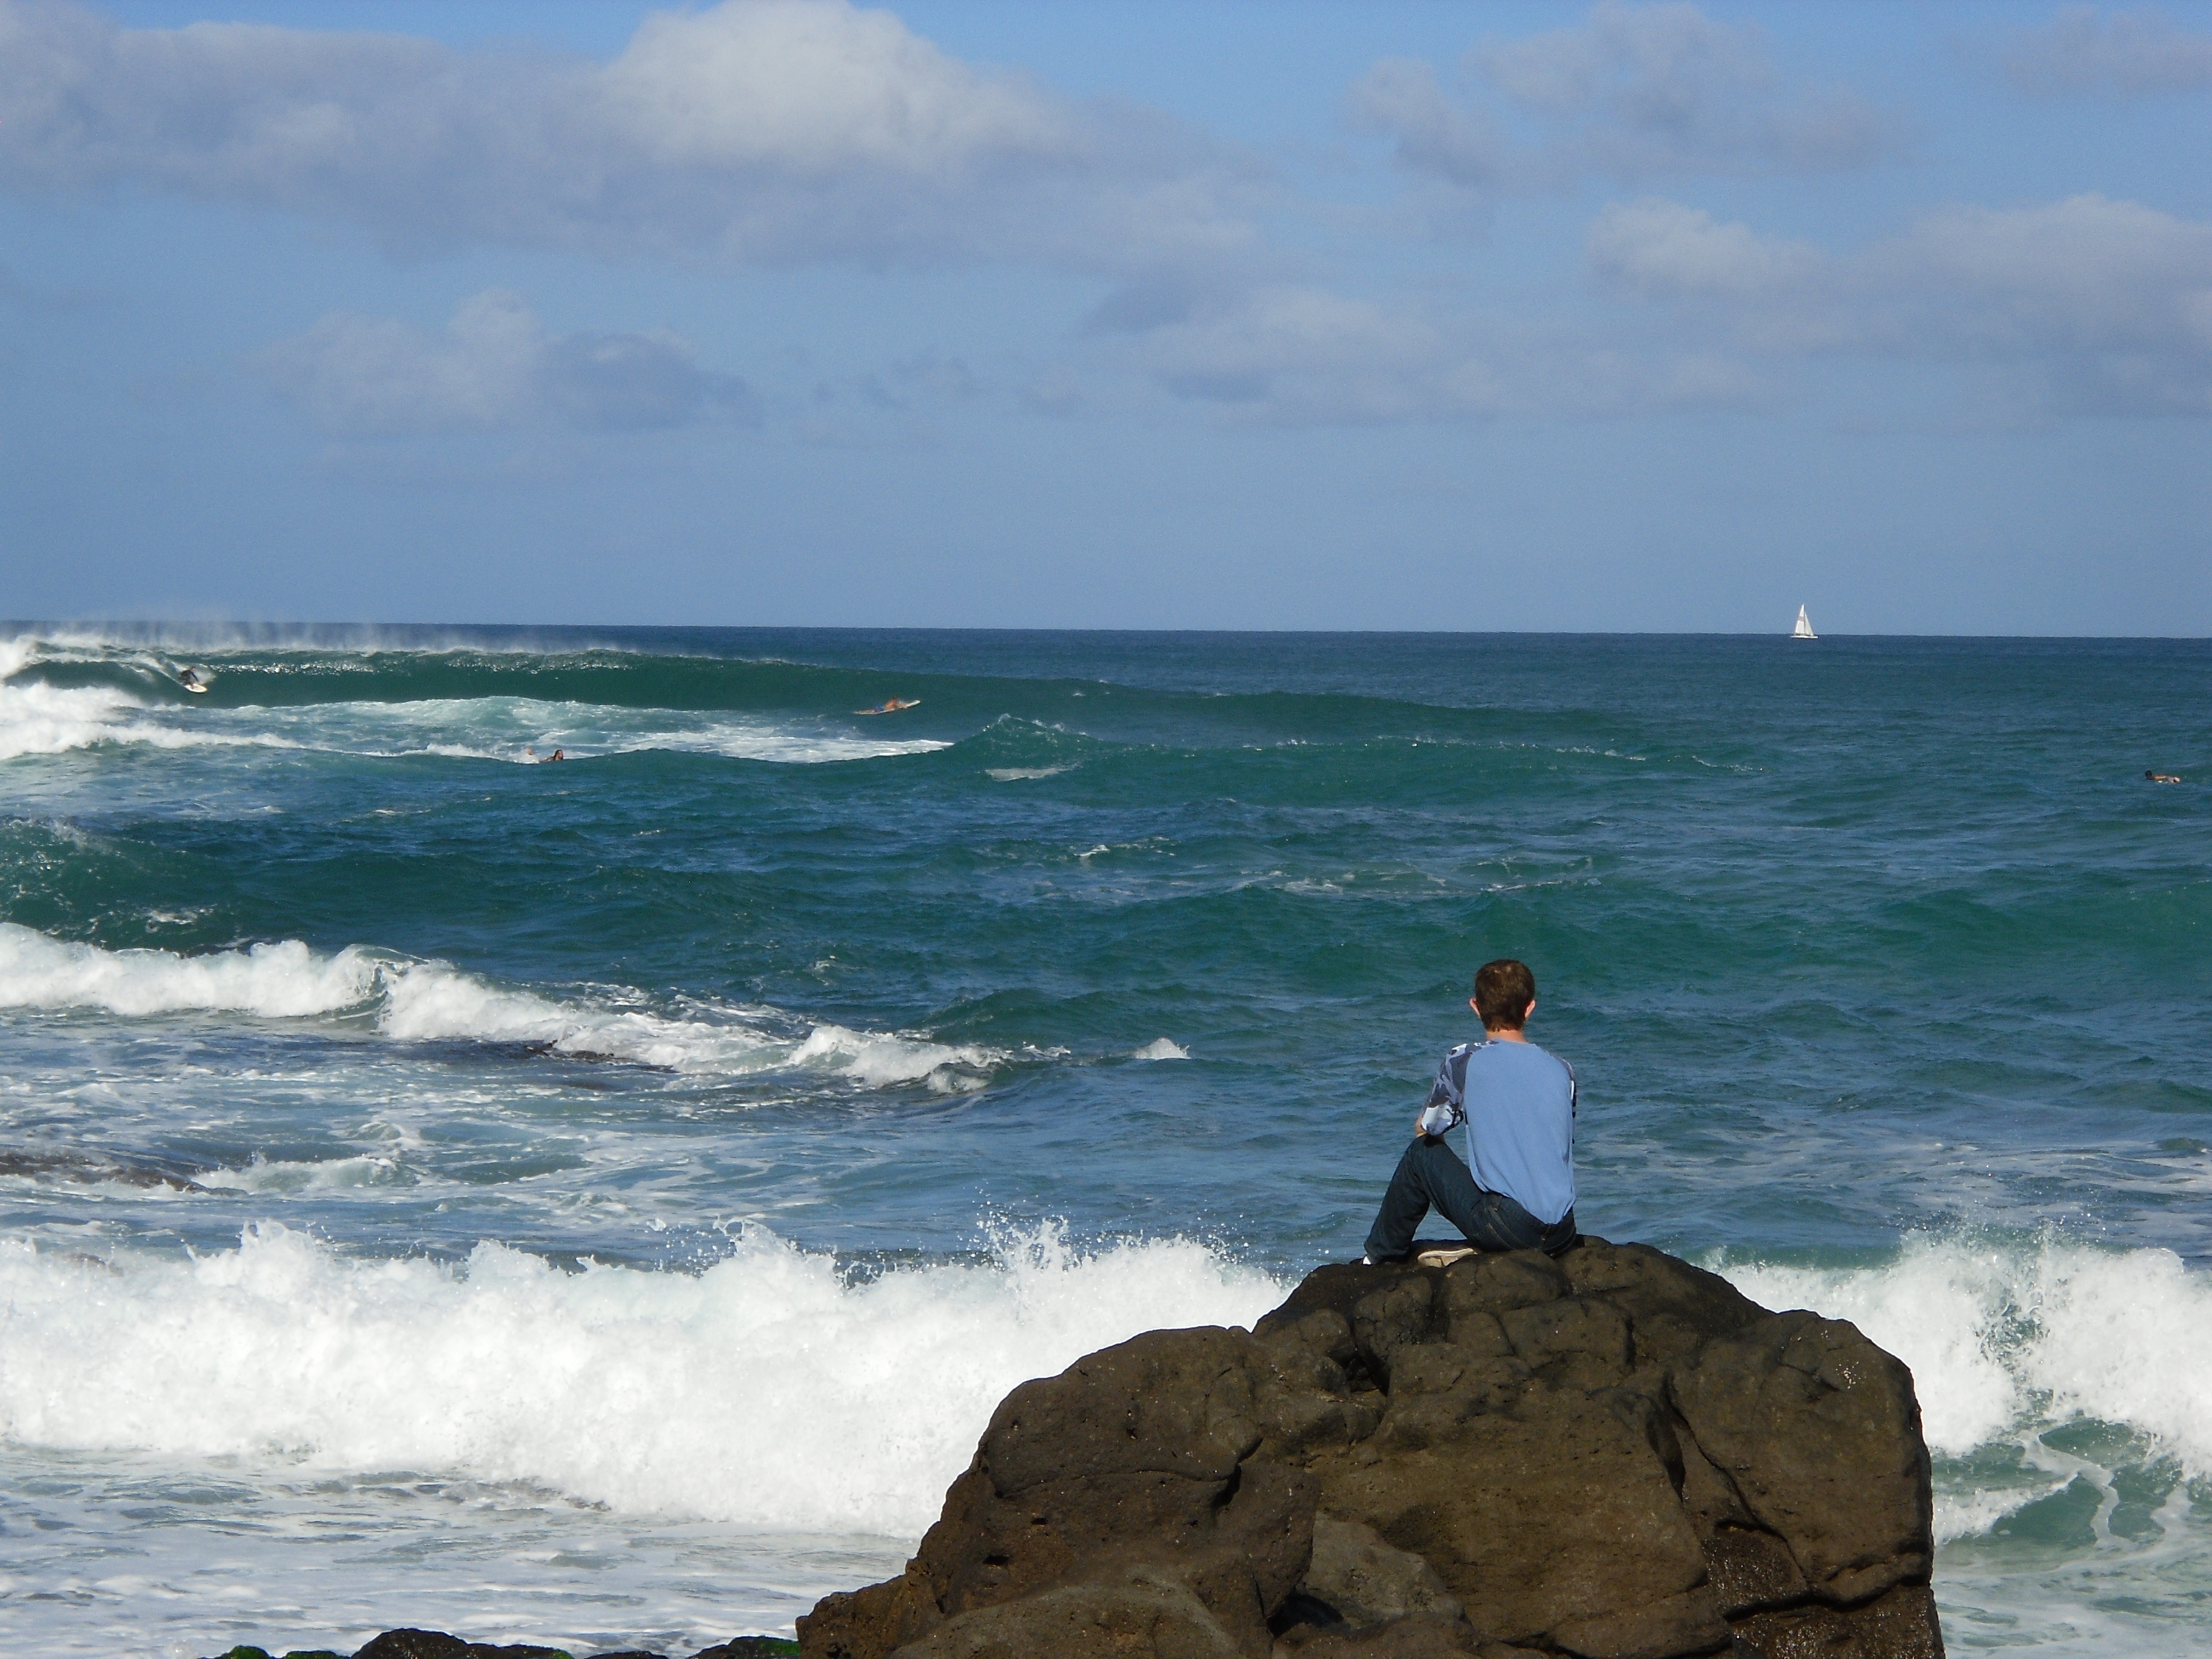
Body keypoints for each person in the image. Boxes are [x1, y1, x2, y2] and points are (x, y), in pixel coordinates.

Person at [1362, 957, 1578, 1262]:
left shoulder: (1464, 1059)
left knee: (1421, 1155)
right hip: (1563, 1233)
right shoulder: (1563, 1070)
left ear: (1476, 1006)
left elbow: (1429, 1128)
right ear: (1530, 1008)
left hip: (1509, 1227)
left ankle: (1380, 1258)